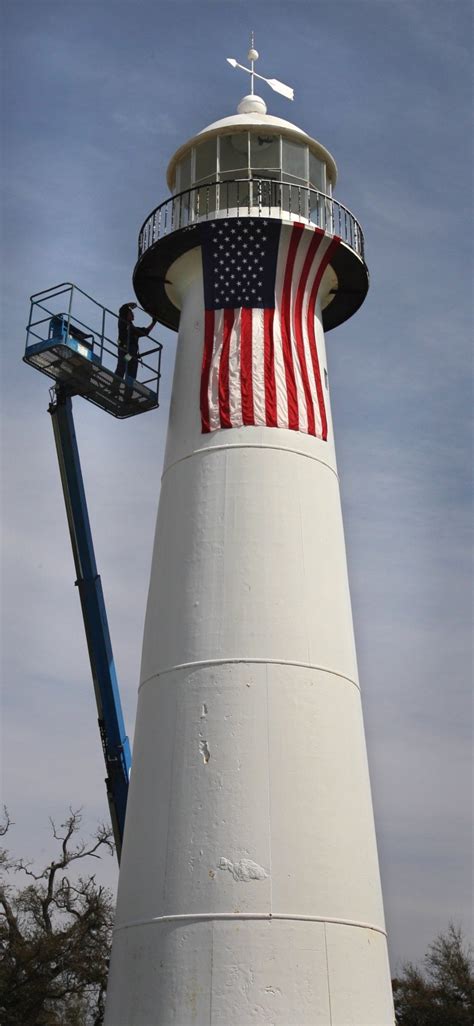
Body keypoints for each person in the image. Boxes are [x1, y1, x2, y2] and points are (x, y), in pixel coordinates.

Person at [114, 303, 156, 397]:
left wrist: (153, 322)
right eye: (130, 313)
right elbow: (122, 310)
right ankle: (114, 388)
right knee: (122, 368)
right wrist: (129, 305)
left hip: (132, 355)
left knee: (131, 375)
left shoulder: (133, 329)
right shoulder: (123, 323)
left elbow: (145, 332)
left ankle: (127, 395)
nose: (132, 315)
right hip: (126, 353)